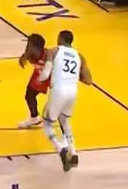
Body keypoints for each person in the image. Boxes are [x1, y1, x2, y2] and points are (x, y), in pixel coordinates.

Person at [40, 30, 93, 171]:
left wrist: (40, 78)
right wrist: (73, 76)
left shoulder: (54, 51)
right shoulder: (79, 56)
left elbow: (45, 75)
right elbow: (89, 80)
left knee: (47, 122)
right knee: (65, 120)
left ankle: (60, 148)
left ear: (61, 39)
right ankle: (74, 152)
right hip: (72, 91)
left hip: (59, 90)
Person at [17, 33, 51, 128]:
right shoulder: (29, 54)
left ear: (35, 47)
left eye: (29, 45)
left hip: (52, 74)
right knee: (29, 95)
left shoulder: (48, 56)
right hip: (39, 72)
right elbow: (25, 56)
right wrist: (22, 58)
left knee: (55, 98)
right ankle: (34, 117)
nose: (27, 47)